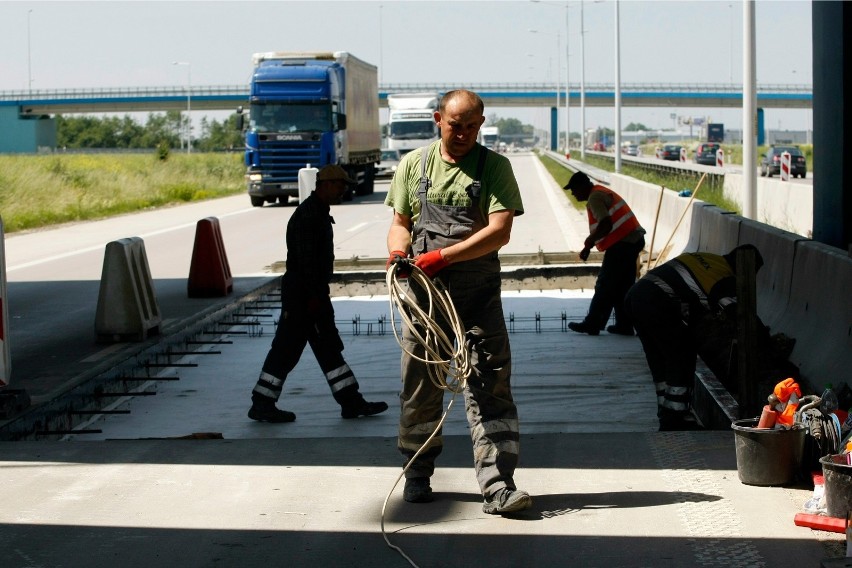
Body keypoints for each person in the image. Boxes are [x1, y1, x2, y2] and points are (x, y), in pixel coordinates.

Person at [384, 90, 531, 515]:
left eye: (471, 125)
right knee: (420, 384)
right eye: (455, 125)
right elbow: (400, 224)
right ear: (438, 120)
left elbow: (500, 231)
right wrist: (399, 254)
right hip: (425, 296)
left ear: (481, 123)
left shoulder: (494, 167)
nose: (463, 133)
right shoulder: (414, 165)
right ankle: (416, 470)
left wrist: (443, 256)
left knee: (490, 383)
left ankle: (498, 485)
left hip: (477, 293)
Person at [247, 164, 388, 423]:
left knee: (327, 348)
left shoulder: (318, 212)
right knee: (287, 350)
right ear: (327, 184)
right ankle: (262, 402)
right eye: (341, 186)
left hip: (309, 295)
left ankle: (351, 402)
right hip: (303, 297)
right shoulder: (308, 216)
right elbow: (306, 263)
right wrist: (314, 299)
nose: (344, 191)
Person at [625, 244, 764, 431]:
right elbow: (738, 315)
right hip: (655, 301)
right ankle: (675, 419)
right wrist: (764, 337)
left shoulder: (708, 258)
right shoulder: (724, 277)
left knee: (659, 360)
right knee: (681, 355)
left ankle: (666, 413)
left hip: (636, 296)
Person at [563, 171, 646, 336]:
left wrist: (588, 244)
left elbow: (605, 224)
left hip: (623, 243)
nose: (573, 193)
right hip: (633, 240)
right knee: (623, 286)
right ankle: (625, 325)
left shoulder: (595, 198)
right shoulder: (600, 191)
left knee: (605, 284)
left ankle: (592, 323)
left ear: (583, 186)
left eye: (574, 189)